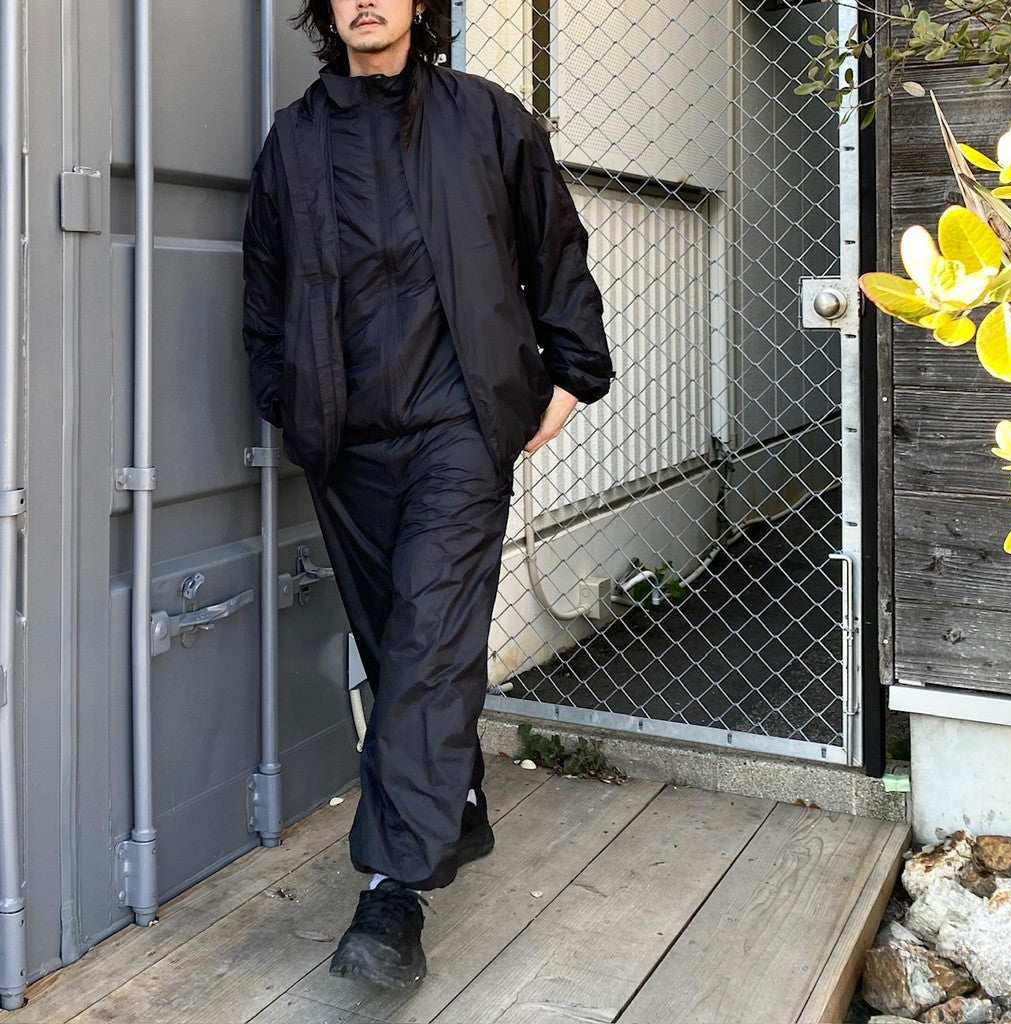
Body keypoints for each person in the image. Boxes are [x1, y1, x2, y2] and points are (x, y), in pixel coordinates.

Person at [241, 0, 614, 991]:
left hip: (459, 428)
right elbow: (263, 293)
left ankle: (391, 892)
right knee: (396, 644)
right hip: (345, 439)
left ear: (419, 7)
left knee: (428, 638)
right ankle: (456, 804)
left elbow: (552, 245)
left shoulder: (485, 117)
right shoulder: (293, 140)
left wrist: (573, 369)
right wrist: (285, 397)